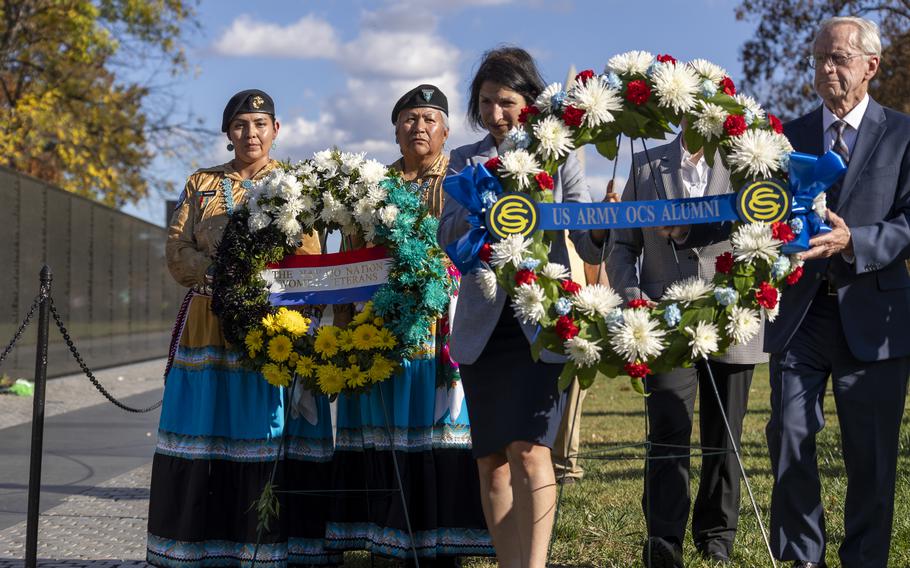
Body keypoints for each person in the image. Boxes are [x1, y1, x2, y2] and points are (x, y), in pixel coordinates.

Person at [683, 16, 910, 568]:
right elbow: (749, 206)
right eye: (817, 60)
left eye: (837, 59)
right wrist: (686, 227)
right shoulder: (787, 136)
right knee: (788, 437)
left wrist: (855, 239)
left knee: (872, 458)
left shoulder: (903, 134)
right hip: (800, 315)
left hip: (874, 314)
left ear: (870, 67)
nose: (824, 69)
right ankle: (802, 558)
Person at [147, 90, 338, 567]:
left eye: (260, 123)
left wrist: (273, 292)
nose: (250, 133)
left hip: (272, 326)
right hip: (208, 322)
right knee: (208, 425)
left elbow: (309, 256)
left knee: (264, 427)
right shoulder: (202, 183)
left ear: (276, 130)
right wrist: (215, 277)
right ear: (227, 132)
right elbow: (178, 247)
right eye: (240, 124)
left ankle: (271, 547)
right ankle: (199, 545)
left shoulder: (294, 185)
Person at [438, 47, 607, 568]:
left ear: (530, 102)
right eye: (486, 102)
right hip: (483, 328)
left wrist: (592, 223)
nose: (495, 114)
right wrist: (482, 216)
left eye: (506, 102)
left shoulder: (562, 152)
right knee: (492, 462)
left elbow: (580, 227)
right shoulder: (466, 159)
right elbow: (447, 235)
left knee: (532, 453)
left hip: (541, 321)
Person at [326, 84, 493, 566]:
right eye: (409, 118)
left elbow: (479, 242)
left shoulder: (462, 177)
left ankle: (444, 542)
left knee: (438, 427)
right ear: (395, 128)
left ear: (445, 130)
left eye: (429, 118)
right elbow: (353, 255)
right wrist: (341, 329)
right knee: (384, 427)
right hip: (379, 329)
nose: (418, 127)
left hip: (443, 326)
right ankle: (384, 536)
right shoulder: (372, 185)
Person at [607, 134, 767, 567]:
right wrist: (634, 296)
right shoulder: (645, 164)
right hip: (662, 318)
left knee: (725, 435)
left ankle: (717, 538)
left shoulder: (745, 163)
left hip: (733, 317)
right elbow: (622, 245)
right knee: (667, 430)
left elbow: (764, 233)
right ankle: (663, 540)